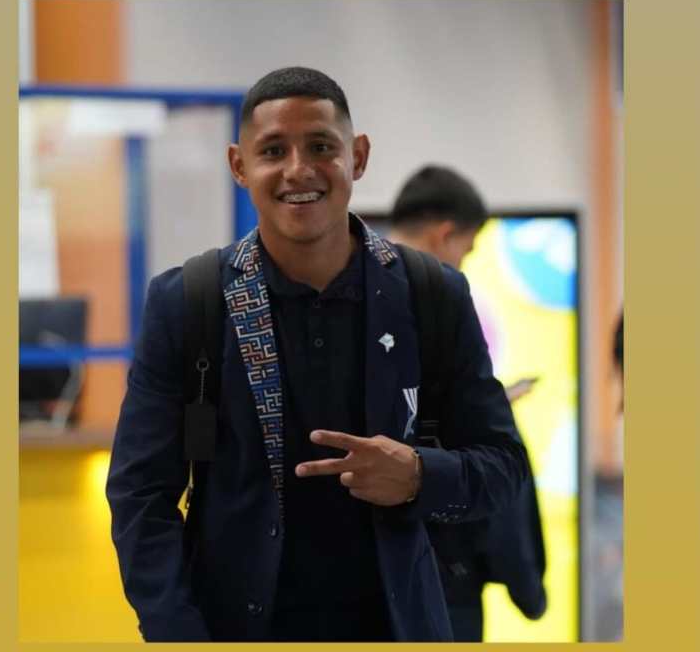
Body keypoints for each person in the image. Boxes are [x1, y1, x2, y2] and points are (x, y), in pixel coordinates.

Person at [106, 67, 528, 642]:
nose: (298, 169)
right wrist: (178, 634)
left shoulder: (430, 293)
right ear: (239, 165)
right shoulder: (190, 301)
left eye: (322, 147)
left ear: (358, 156)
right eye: (273, 150)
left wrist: (417, 474)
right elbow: (140, 496)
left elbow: (504, 466)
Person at [390, 164, 547, 640]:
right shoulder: (443, 302)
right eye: (469, 247)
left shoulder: (343, 294)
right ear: (444, 235)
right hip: (443, 568)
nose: (464, 261)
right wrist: (526, 584)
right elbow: (486, 454)